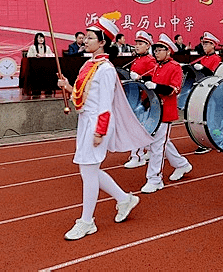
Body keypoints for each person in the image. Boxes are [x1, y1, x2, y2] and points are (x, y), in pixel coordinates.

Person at [56, 16, 153, 240]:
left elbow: (105, 104)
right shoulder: (88, 64)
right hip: (86, 122)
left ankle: (87, 221)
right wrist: (68, 86)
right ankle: (124, 199)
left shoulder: (106, 70)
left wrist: (100, 131)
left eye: (90, 38)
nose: (85, 41)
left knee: (88, 172)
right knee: (89, 170)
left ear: (102, 42)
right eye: (86, 37)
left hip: (97, 123)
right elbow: (83, 96)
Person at [140, 34, 193, 193]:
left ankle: (155, 179)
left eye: (160, 49)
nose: (156, 52)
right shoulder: (158, 66)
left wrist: (155, 87)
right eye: (155, 49)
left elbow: (174, 89)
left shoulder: (175, 67)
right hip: (155, 110)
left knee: (157, 145)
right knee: (160, 142)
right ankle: (182, 164)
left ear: (168, 51)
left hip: (166, 110)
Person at [124, 31, 156, 169]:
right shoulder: (136, 59)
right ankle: (148, 149)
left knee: (137, 128)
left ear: (148, 45)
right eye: (136, 43)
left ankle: (137, 156)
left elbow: (153, 78)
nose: (137, 46)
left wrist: (140, 78)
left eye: (140, 43)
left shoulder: (150, 60)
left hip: (144, 99)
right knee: (143, 127)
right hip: (135, 97)